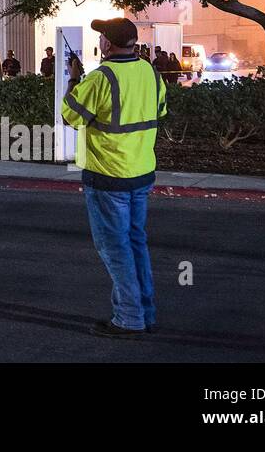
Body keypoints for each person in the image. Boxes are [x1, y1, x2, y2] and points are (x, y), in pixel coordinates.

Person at [62, 17, 167, 338]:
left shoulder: (99, 78)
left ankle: (129, 318)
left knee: (114, 248)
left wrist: (74, 79)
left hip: (108, 176)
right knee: (135, 243)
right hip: (141, 173)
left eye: (103, 37)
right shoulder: (151, 72)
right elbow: (159, 112)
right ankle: (144, 313)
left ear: (107, 44)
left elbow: (70, 116)